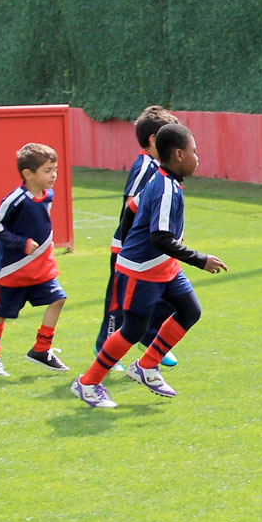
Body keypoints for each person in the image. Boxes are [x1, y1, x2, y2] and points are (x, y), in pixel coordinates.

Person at [72, 124, 228, 408]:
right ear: (179, 155)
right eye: (194, 151)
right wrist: (200, 259)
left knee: (190, 310)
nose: (198, 157)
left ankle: (146, 366)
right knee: (132, 331)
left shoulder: (164, 179)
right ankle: (87, 383)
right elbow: (160, 237)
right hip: (142, 271)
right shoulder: (165, 186)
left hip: (164, 267)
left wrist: (126, 238)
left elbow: (132, 208)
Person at [93, 106, 178, 372]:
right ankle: (104, 346)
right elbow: (132, 204)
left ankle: (150, 338)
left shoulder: (161, 167)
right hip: (129, 250)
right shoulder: (144, 167)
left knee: (168, 294)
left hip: (152, 250)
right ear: (154, 139)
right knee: (119, 304)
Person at [0, 143, 68, 377]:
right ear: (28, 174)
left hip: (41, 268)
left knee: (58, 299)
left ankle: (42, 349)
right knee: (2, 313)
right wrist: (22, 243)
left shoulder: (48, 194)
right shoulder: (15, 199)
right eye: (47, 170)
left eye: (55, 169)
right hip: (14, 270)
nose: (54, 175)